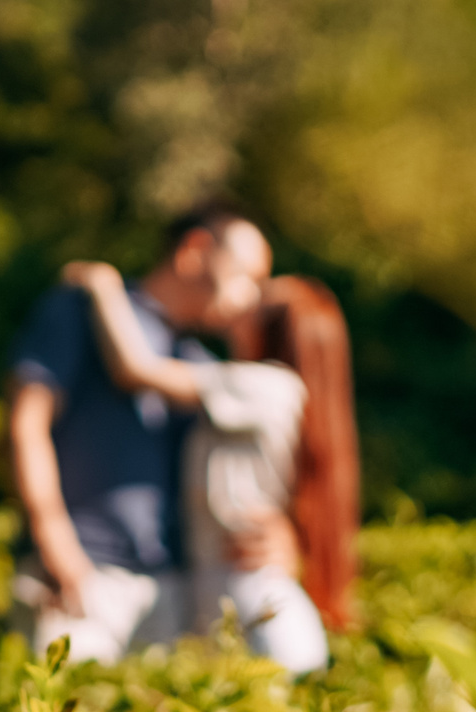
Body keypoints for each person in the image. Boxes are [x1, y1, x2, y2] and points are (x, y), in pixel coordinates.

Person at [4, 205, 274, 663]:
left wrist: (278, 534)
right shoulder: (78, 309)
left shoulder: (196, 363)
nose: (251, 297)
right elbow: (25, 422)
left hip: (169, 585)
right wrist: (53, 540)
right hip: (77, 574)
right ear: (195, 250)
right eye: (245, 275)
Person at [60, 263, 359, 672]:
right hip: (234, 602)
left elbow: (136, 369)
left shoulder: (262, 386)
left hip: (260, 611)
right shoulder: (254, 390)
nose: (243, 302)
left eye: (258, 302)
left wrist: (105, 287)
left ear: (273, 329)